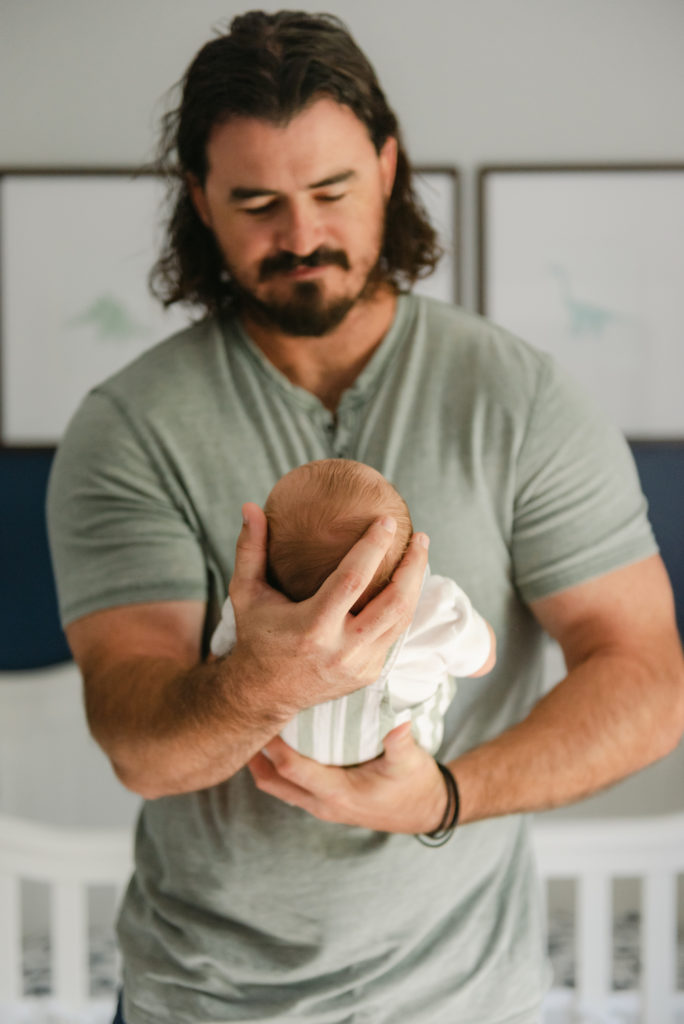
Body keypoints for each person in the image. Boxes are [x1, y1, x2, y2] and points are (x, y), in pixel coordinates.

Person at [45, 10, 684, 1024]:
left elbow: (647, 679)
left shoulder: (519, 399)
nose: (301, 236)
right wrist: (269, 675)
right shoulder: (129, 428)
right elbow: (140, 742)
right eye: (256, 201)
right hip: (205, 999)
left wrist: (444, 796)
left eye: (332, 191)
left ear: (388, 167)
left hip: (469, 998)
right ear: (199, 201)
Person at [209, 458, 496, 765]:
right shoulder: (434, 609)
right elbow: (483, 662)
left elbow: (215, 661)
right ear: (406, 555)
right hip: (401, 761)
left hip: (290, 754)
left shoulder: (250, 609)